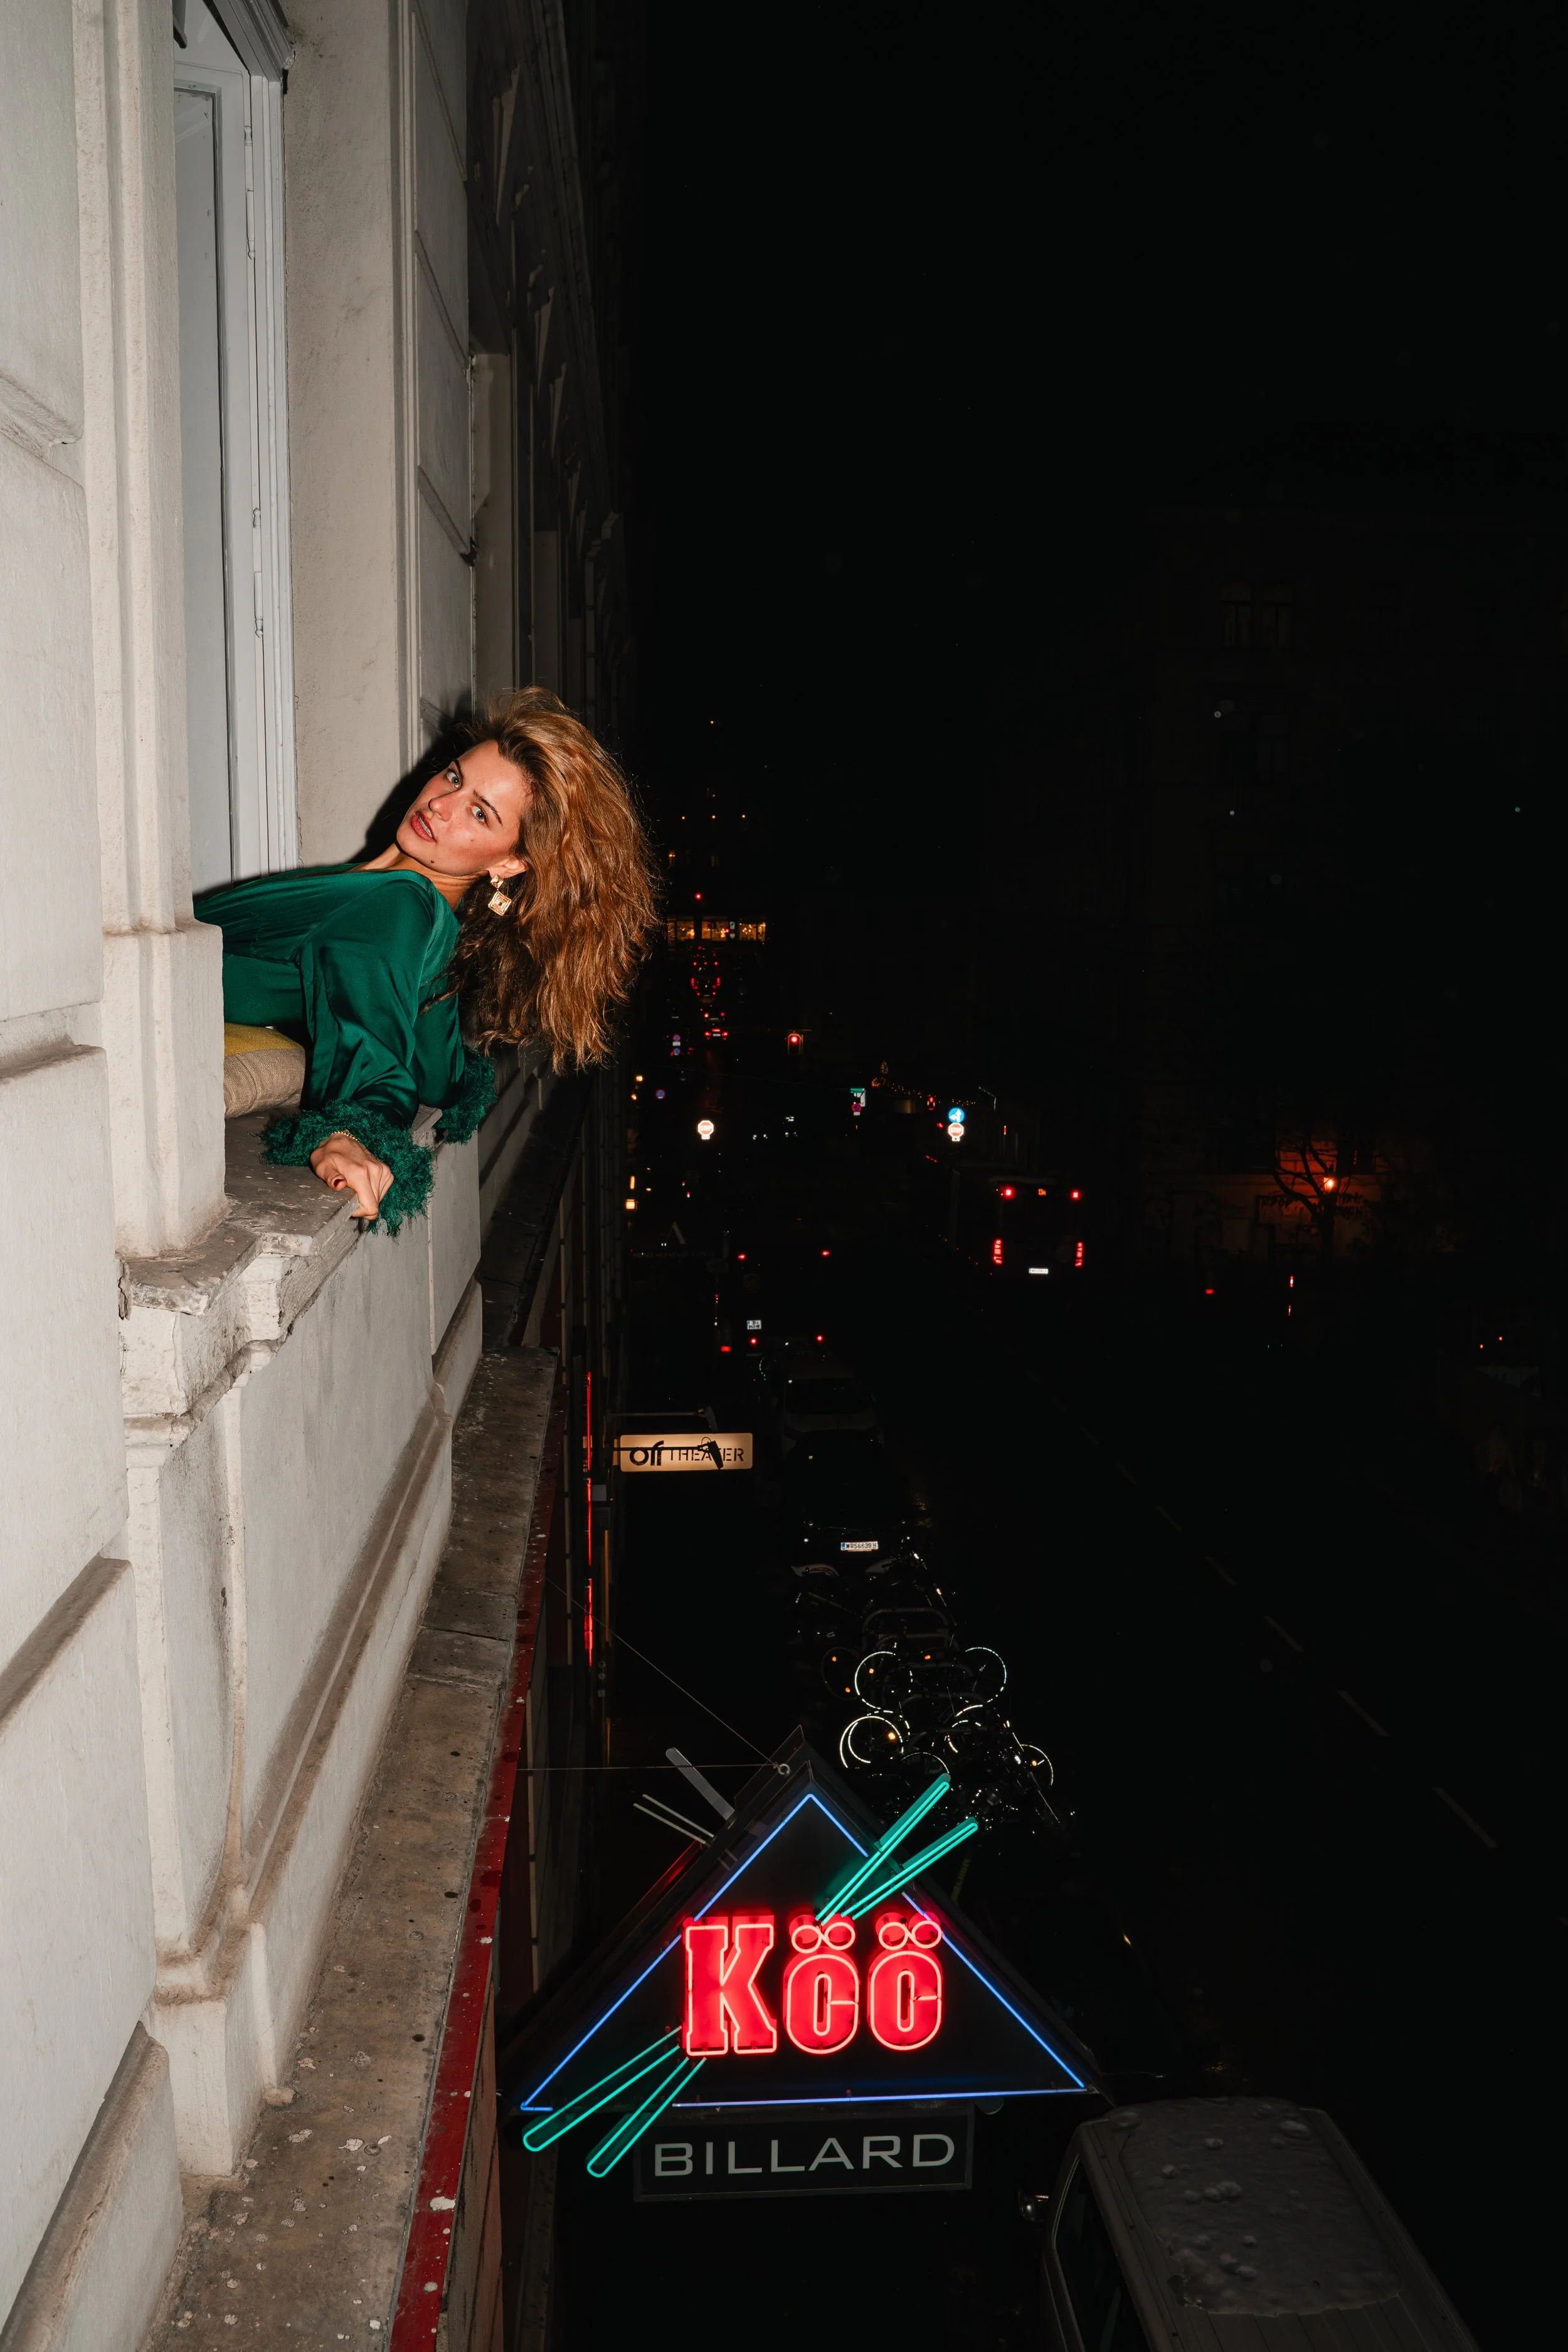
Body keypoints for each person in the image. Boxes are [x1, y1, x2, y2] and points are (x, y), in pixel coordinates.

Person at [196, 688, 655, 1230]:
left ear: (510, 863)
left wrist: (352, 1131)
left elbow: (373, 1048)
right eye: (455, 778)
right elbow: (437, 1075)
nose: (440, 804)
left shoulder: (403, 903)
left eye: (479, 814)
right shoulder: (429, 927)